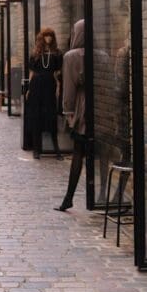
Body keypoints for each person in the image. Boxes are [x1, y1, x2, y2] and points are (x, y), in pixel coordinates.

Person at [57, 20, 87, 211]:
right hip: (101, 109)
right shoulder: (100, 54)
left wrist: (68, 112)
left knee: (78, 152)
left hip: (81, 108)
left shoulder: (71, 57)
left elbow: (69, 88)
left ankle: (68, 198)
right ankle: (102, 196)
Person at [26, 28, 63, 159]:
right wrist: (29, 89)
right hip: (37, 85)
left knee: (51, 115)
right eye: (46, 36)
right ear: (42, 38)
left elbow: (57, 73)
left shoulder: (57, 54)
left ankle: (56, 149)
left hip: (50, 85)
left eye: (51, 36)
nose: (48, 39)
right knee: (37, 116)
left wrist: (58, 87)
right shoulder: (35, 54)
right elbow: (31, 72)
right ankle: (37, 149)